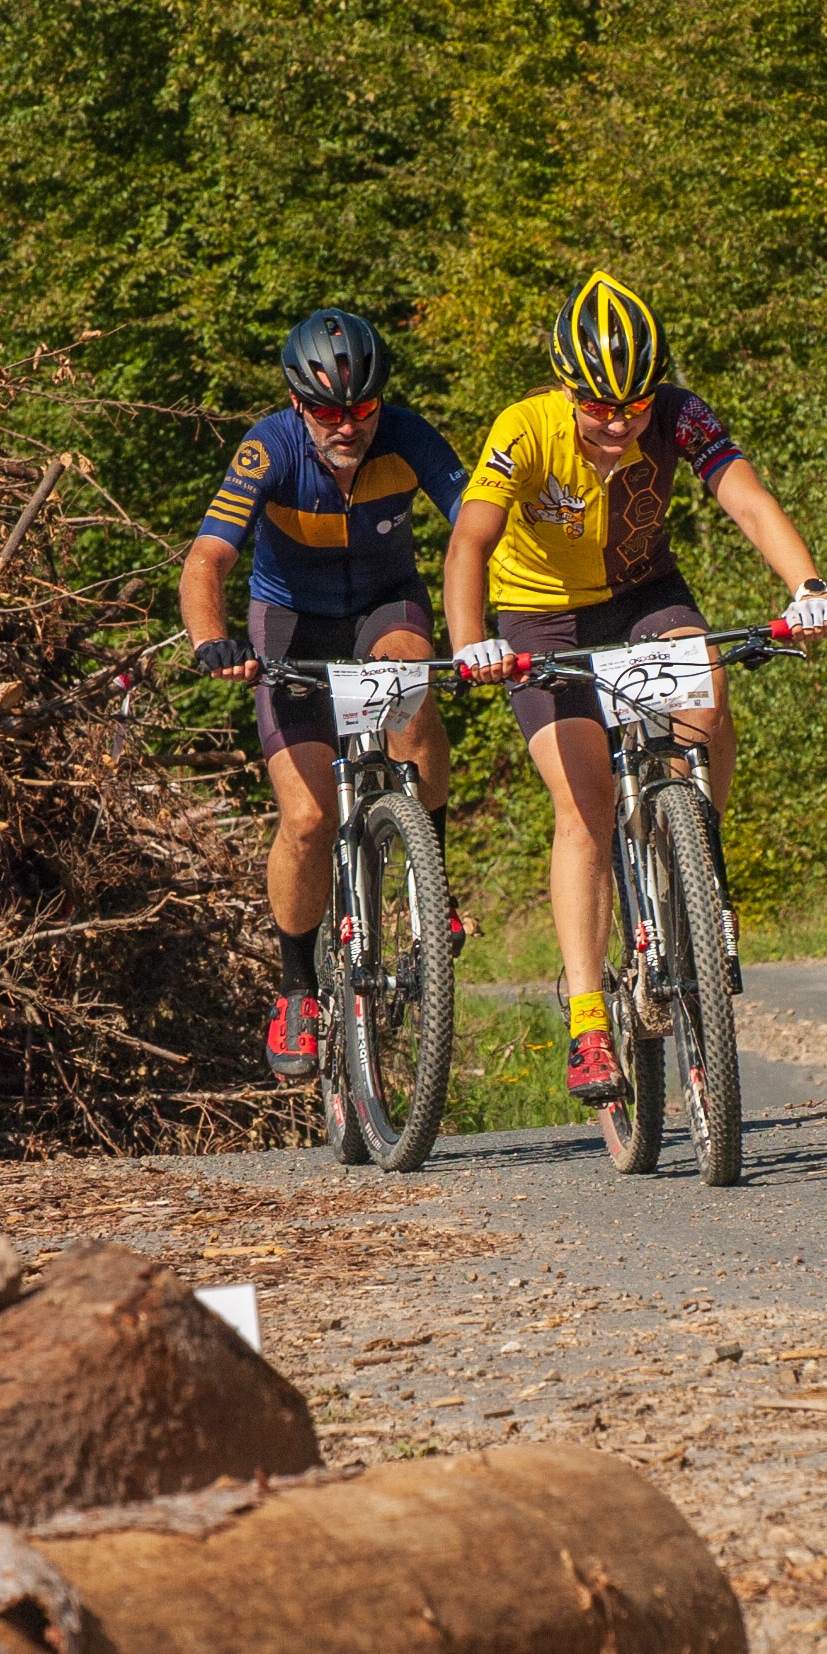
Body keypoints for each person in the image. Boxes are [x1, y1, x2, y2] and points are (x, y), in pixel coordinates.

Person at [443, 270, 827, 1104]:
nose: (619, 423)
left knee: (708, 696)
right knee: (584, 808)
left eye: (634, 405)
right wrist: (472, 642)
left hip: (642, 594)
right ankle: (589, 1023)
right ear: (566, 387)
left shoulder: (681, 414)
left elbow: (749, 502)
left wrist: (806, 588)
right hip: (541, 615)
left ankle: (697, 864)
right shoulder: (524, 428)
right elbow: (470, 541)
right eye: (599, 406)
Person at [180, 306, 469, 1082]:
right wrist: (211, 642)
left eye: (362, 408)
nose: (347, 426)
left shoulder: (409, 437)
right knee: (307, 818)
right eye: (328, 412)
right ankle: (296, 989)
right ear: (297, 403)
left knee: (410, 684)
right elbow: (207, 559)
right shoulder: (268, 447)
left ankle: (432, 886)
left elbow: (479, 526)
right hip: (292, 624)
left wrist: (501, 620)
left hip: (384, 606)